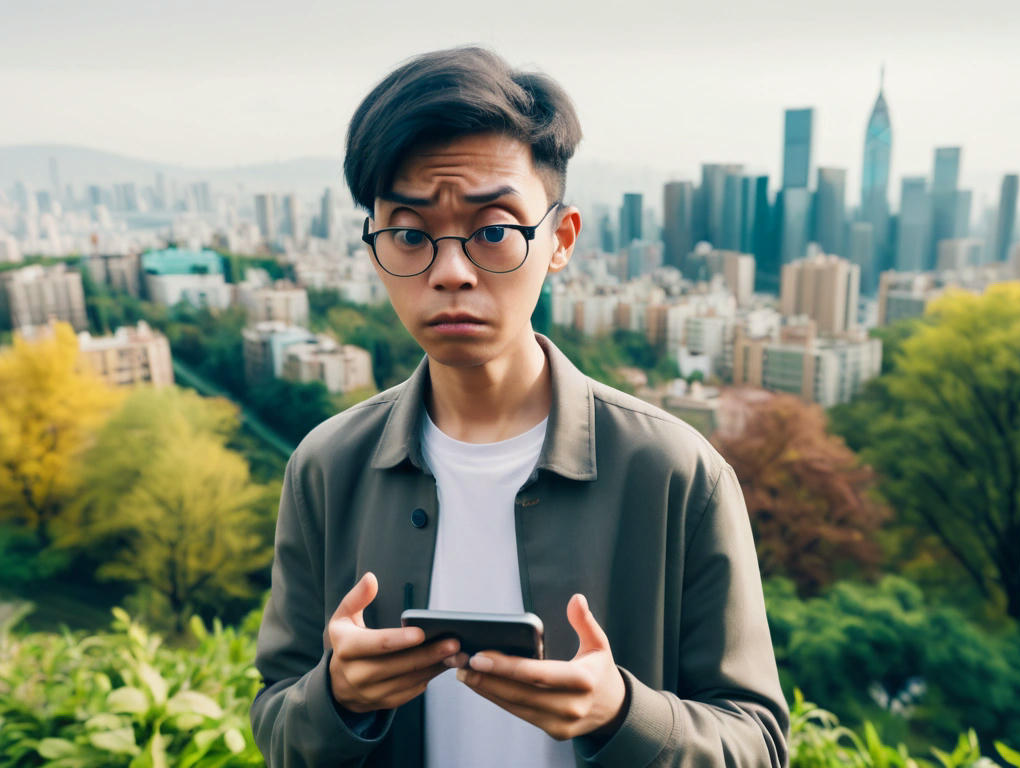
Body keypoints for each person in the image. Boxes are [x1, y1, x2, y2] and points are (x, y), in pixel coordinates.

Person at [250, 46, 789, 768]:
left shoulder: (672, 472)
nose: (449, 272)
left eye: (494, 230)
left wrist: (619, 714)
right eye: (409, 234)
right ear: (374, 248)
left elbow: (758, 742)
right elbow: (277, 720)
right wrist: (339, 697)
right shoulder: (327, 467)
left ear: (559, 241)